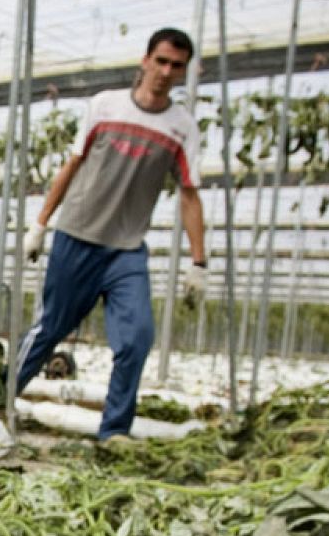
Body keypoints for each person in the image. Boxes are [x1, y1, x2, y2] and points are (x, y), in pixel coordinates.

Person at [16, 27, 207, 442]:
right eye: (160, 61)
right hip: (77, 236)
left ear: (184, 72)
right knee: (51, 328)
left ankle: (113, 434)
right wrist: (40, 224)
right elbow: (72, 164)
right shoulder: (104, 106)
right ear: (145, 60)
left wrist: (199, 263)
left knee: (137, 337)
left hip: (126, 250)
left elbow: (190, 195)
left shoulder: (182, 128)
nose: (165, 71)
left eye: (176, 66)